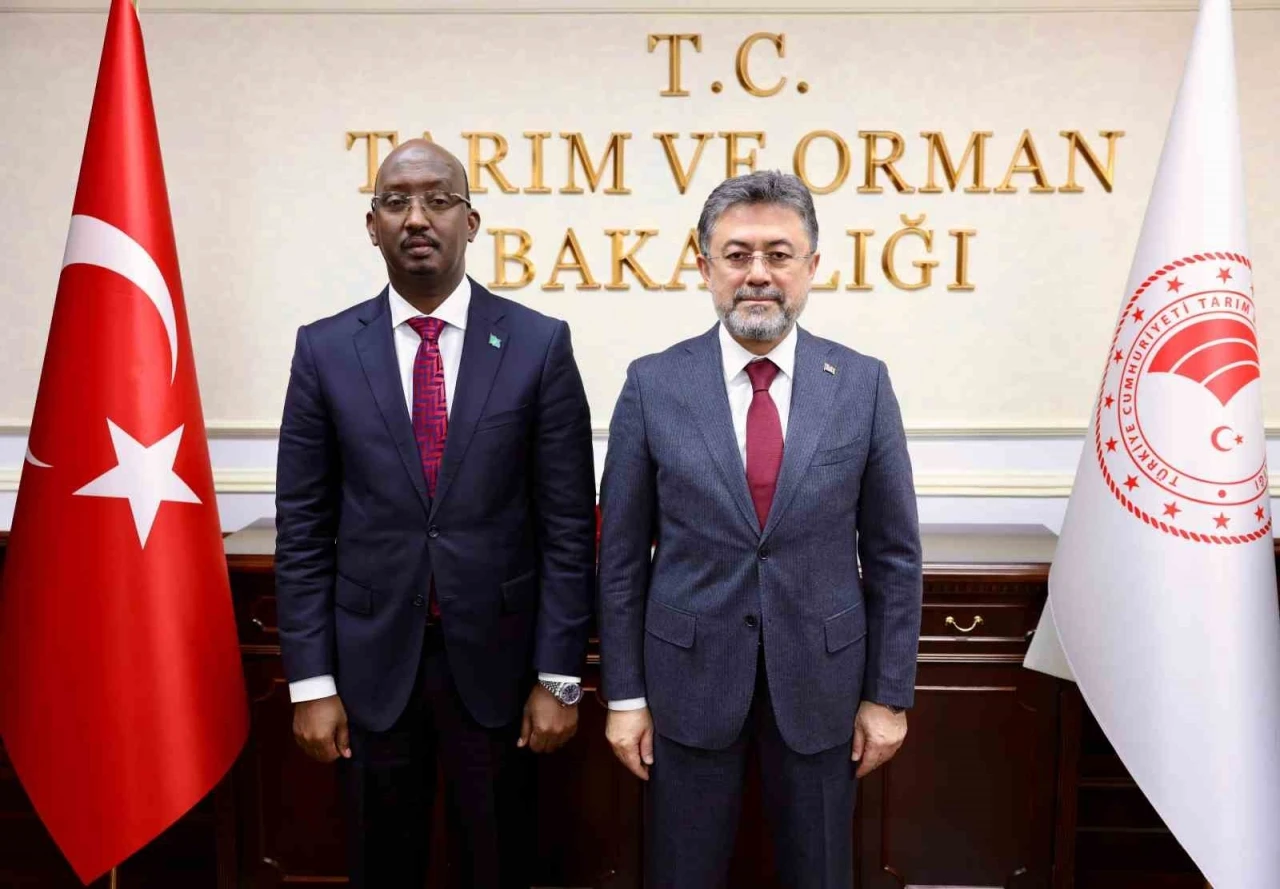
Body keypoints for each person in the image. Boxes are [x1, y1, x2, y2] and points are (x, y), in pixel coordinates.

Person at [274, 139, 596, 889]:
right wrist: (311, 684)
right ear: (373, 225)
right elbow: (304, 531)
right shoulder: (324, 350)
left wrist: (561, 678)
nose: (416, 217)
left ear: (471, 221)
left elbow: (568, 528)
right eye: (396, 201)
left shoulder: (538, 344)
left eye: (438, 199)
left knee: (500, 865)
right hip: (369, 673)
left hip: (502, 673)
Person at [596, 170, 924, 888]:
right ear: (704, 265)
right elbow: (618, 560)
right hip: (686, 688)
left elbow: (895, 557)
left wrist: (888, 695)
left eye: (779, 254)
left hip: (824, 689)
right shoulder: (652, 384)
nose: (758, 274)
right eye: (738, 254)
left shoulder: (862, 384)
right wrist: (624, 697)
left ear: (812, 265)